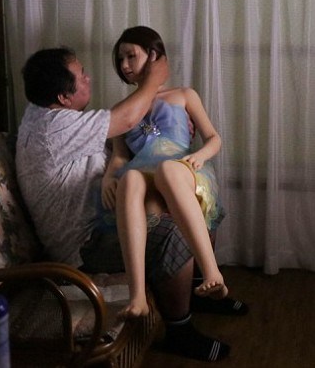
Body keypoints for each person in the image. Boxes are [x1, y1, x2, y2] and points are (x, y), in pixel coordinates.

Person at [15, 47, 230, 362]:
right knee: (173, 232)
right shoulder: (53, 127)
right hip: (84, 245)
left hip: (102, 217)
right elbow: (126, 119)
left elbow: (121, 138)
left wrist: (167, 130)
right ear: (63, 97)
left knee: (189, 194)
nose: (89, 78)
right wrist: (154, 79)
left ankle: (200, 290)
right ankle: (180, 331)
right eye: (82, 76)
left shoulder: (41, 113)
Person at [101, 26, 227, 320]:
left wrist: (199, 155)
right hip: (145, 176)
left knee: (168, 169)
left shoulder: (184, 94)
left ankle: (212, 272)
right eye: (120, 59)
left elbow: (213, 138)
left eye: (131, 56)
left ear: (154, 55)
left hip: (182, 170)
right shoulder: (122, 110)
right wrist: (108, 177)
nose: (124, 65)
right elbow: (120, 156)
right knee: (129, 177)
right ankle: (137, 298)